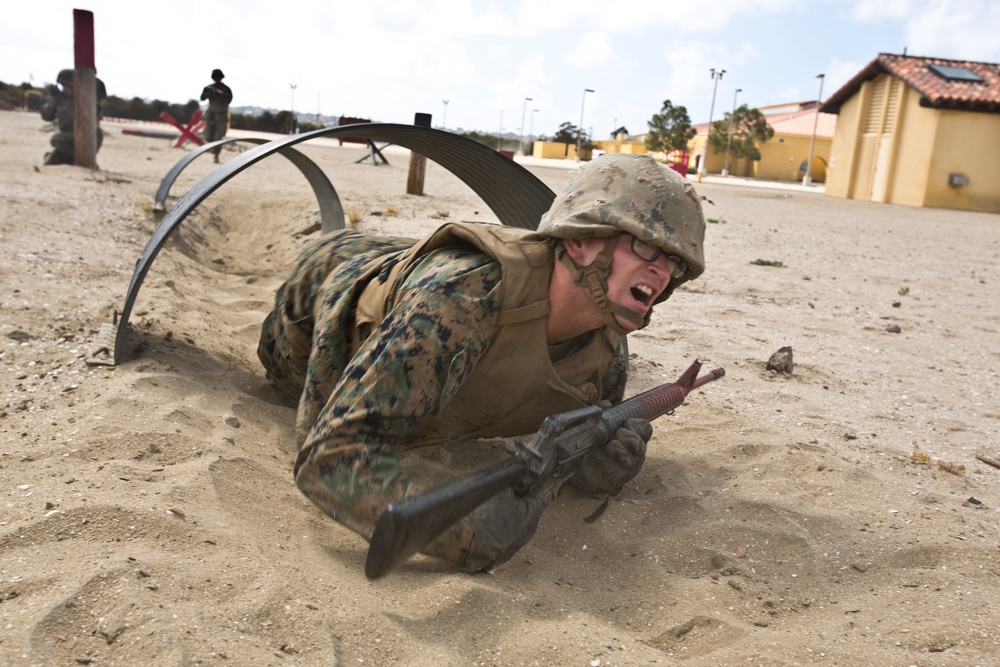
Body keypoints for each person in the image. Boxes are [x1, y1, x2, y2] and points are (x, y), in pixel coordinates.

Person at [257, 153, 707, 573]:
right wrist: (465, 536)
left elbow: (577, 442)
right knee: (283, 362)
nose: (662, 271)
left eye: (674, 261)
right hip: (328, 291)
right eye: (647, 248)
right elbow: (328, 459)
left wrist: (599, 464)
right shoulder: (465, 299)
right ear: (581, 241)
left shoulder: (605, 349)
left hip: (424, 279)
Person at [39, 68, 107, 166]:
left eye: (68, 86)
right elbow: (46, 116)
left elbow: (68, 126)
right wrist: (54, 101)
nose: (65, 90)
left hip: (87, 140)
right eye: (63, 86)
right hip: (69, 142)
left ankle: (80, 159)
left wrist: (61, 108)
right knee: (50, 161)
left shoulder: (88, 102)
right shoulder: (62, 99)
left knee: (56, 140)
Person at [200, 68, 233, 163]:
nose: (217, 79)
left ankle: (216, 155)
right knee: (208, 135)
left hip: (221, 115)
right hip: (211, 114)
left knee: (219, 136)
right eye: (215, 77)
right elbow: (202, 98)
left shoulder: (226, 89)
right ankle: (212, 148)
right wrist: (209, 94)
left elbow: (229, 100)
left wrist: (220, 95)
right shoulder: (209, 88)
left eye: (218, 77)